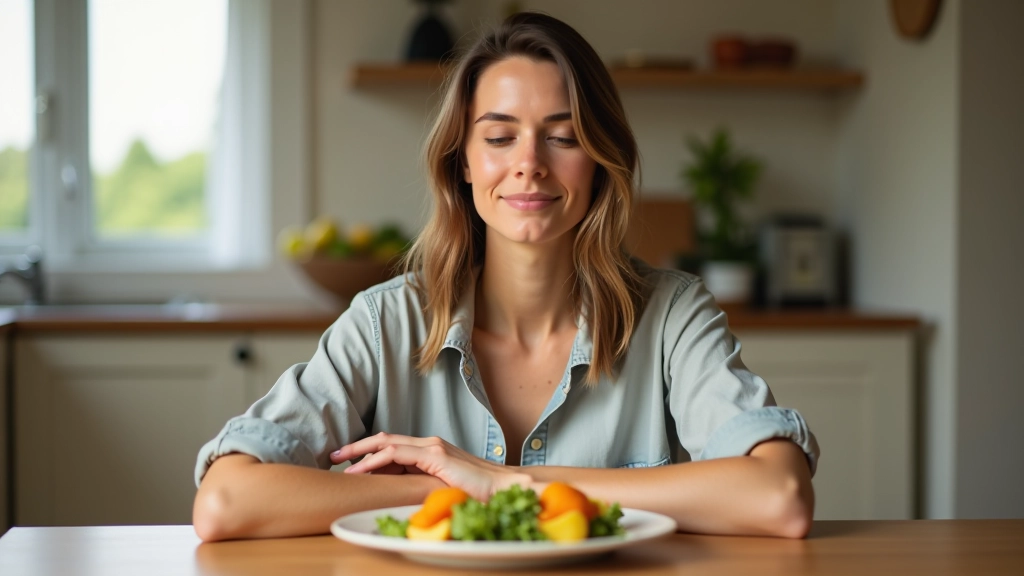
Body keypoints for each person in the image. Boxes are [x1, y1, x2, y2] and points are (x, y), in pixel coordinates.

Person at [192, 12, 819, 542]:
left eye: (564, 137)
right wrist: (443, 489)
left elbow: (778, 497)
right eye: (499, 136)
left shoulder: (674, 315)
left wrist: (503, 483)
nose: (529, 166)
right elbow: (227, 501)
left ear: (601, 161)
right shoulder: (385, 320)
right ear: (462, 161)